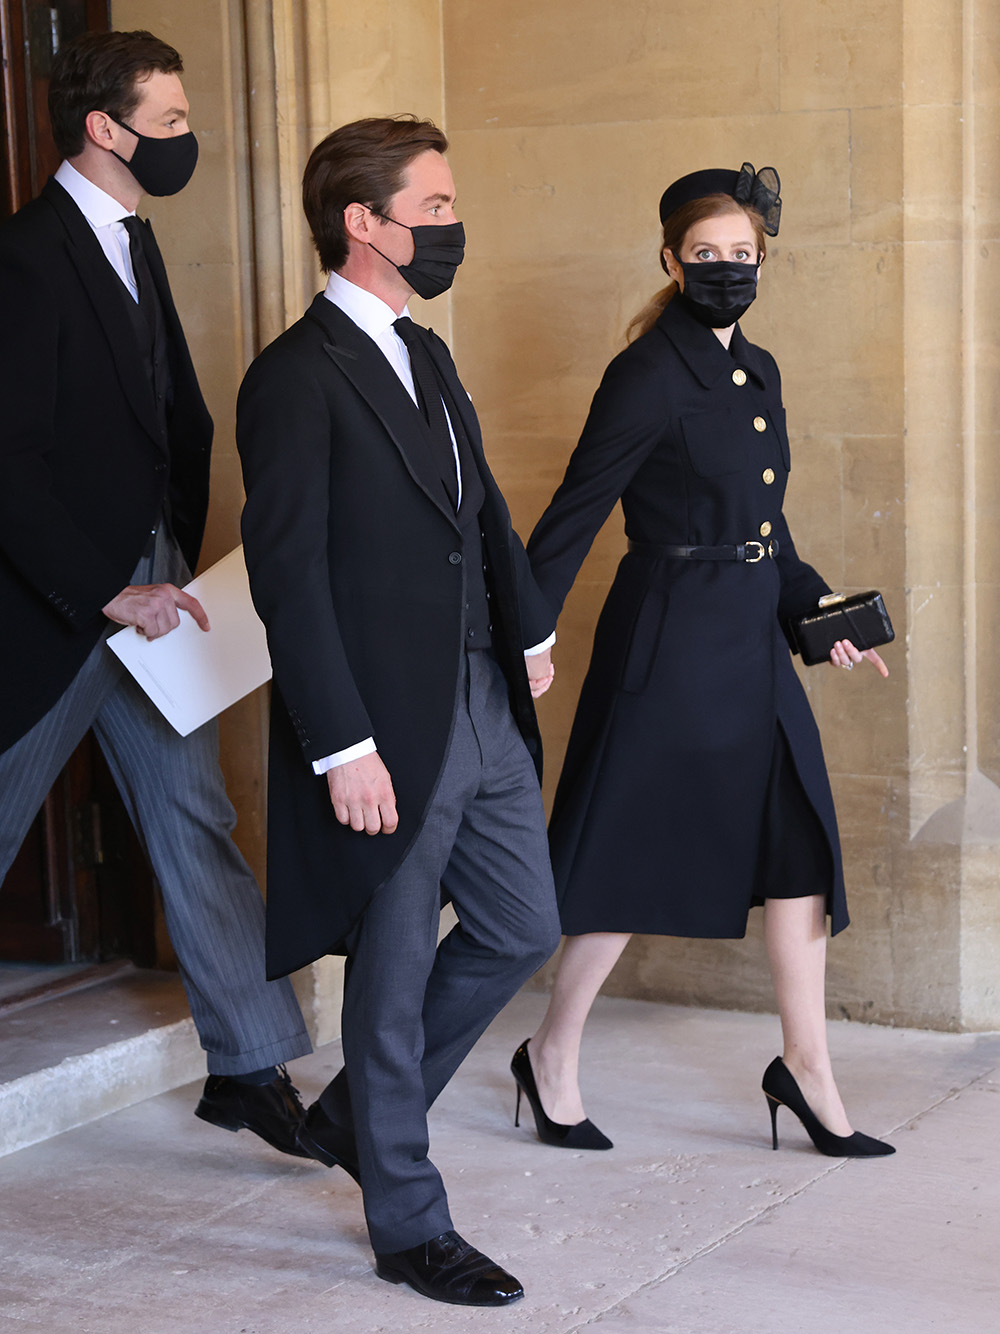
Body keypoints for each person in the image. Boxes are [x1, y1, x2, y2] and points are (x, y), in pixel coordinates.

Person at [235, 116, 561, 1307]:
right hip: (384, 721)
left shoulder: (429, 357)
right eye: (432, 207)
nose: (450, 227)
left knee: (524, 922)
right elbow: (289, 575)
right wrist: (341, 745)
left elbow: (484, 512)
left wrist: (523, 628)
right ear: (362, 223)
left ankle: (349, 1116)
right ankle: (408, 1221)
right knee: (388, 971)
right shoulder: (291, 377)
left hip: (483, 695)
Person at [511, 163, 895, 1161]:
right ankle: (550, 1052)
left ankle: (805, 1069)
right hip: (672, 643)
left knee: (801, 852)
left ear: (760, 259)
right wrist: (524, 630)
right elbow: (574, 512)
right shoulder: (645, 373)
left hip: (754, 645)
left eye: (741, 254)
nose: (725, 268)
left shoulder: (756, 368)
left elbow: (764, 527)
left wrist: (819, 611)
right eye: (705, 254)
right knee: (624, 858)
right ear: (670, 260)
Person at [0, 30, 312, 1154]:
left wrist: (168, 554)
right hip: (56, 608)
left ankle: (250, 1063)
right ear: (105, 126)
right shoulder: (26, 257)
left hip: (151, 586)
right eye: (172, 122)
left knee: (194, 814)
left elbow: (171, 416)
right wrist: (105, 589)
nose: (188, 141)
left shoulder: (138, 241)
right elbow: (10, 459)